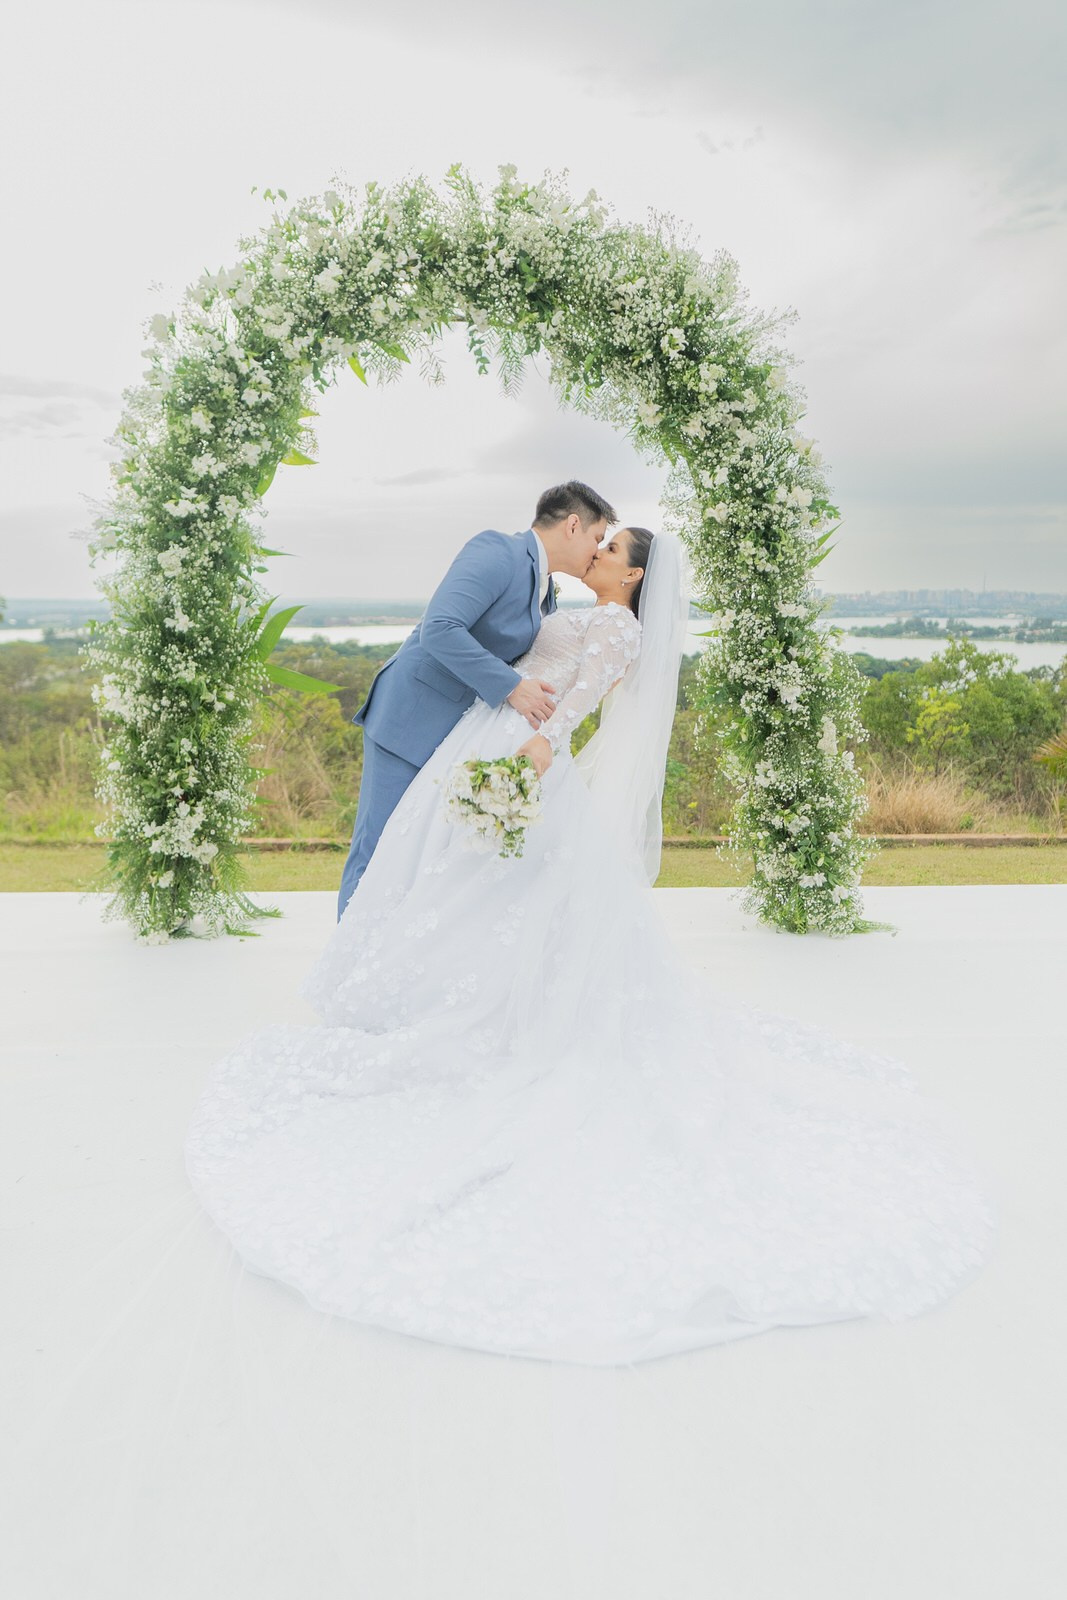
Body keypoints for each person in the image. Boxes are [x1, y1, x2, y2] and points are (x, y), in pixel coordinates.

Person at [184, 526, 996, 1367]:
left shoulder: (616, 626)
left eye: (610, 547)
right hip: (488, 733)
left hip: (520, 749)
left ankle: (484, 1015)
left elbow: (578, 696)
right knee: (458, 887)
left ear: (633, 573)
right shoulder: (568, 601)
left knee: (486, 889)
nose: (597, 549)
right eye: (596, 538)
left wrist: (536, 748)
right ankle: (432, 999)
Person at [336, 480, 614, 919]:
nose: (596, 552)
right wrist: (511, 687)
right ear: (574, 525)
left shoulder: (546, 590)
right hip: (410, 719)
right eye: (598, 539)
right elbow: (441, 628)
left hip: (460, 739)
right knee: (379, 851)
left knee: (419, 857)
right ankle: (345, 975)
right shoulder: (497, 551)